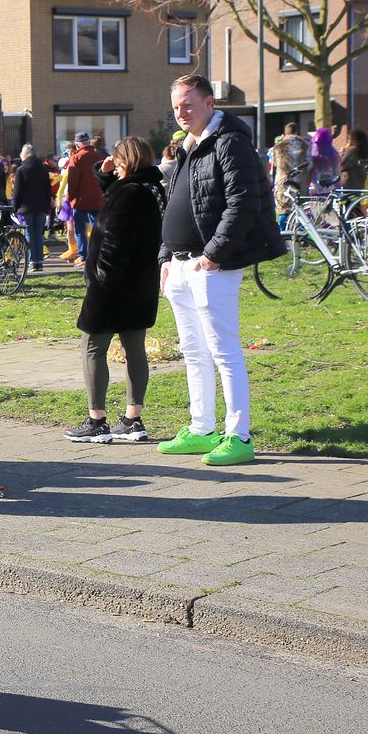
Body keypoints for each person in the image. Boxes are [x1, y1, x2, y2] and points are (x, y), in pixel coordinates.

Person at [157, 74, 284, 468]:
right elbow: (175, 204)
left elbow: (243, 202)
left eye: (188, 104)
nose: (181, 112)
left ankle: (238, 436)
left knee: (224, 351)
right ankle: (201, 428)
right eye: (176, 106)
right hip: (181, 265)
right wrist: (165, 257)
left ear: (210, 103)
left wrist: (213, 255)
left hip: (211, 265)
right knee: (193, 351)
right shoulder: (188, 146)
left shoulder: (229, 142)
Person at [64, 137, 164, 444]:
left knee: (93, 347)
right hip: (142, 284)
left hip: (113, 286)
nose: (113, 165)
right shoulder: (151, 189)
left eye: (117, 160)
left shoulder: (128, 193)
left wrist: (99, 280)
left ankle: (97, 421)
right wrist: (104, 173)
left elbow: (115, 242)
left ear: (125, 161)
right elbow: (116, 193)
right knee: (134, 349)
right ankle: (133, 420)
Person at [10, 143, 52, 273]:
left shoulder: (21, 169)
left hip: (26, 206)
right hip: (41, 206)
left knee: (29, 234)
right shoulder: (43, 169)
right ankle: (39, 262)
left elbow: (17, 191)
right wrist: (47, 206)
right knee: (39, 234)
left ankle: (32, 262)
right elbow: (48, 189)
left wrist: (13, 206)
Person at [65, 131, 104, 262]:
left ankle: (84, 257)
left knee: (80, 229)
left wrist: (70, 197)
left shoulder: (76, 158)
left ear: (77, 145)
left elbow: (72, 181)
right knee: (96, 228)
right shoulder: (99, 156)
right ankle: (97, 254)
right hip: (97, 198)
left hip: (80, 199)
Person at [268, 123, 310, 228]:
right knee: (300, 212)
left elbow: (274, 164)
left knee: (283, 211)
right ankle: (301, 235)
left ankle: (283, 234)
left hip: (283, 183)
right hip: (300, 183)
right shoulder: (305, 145)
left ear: (285, 133)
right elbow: (309, 164)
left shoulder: (278, 147)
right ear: (296, 132)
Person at [309, 126, 341, 191]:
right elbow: (337, 170)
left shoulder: (313, 154)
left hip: (317, 183)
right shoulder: (333, 154)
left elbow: (310, 170)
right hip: (330, 183)